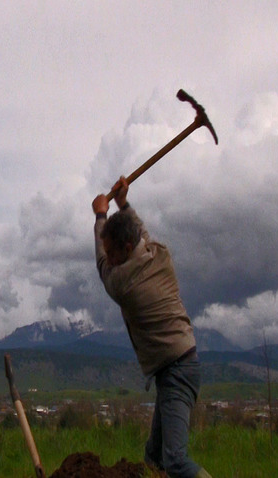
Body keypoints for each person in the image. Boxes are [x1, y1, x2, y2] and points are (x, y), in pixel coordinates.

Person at [92, 176, 212, 478]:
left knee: (175, 461)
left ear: (127, 247)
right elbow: (140, 230)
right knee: (153, 458)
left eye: (113, 252)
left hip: (177, 370)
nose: (110, 258)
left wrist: (100, 216)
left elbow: (101, 266)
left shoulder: (123, 283)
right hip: (179, 364)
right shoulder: (159, 254)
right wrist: (123, 203)